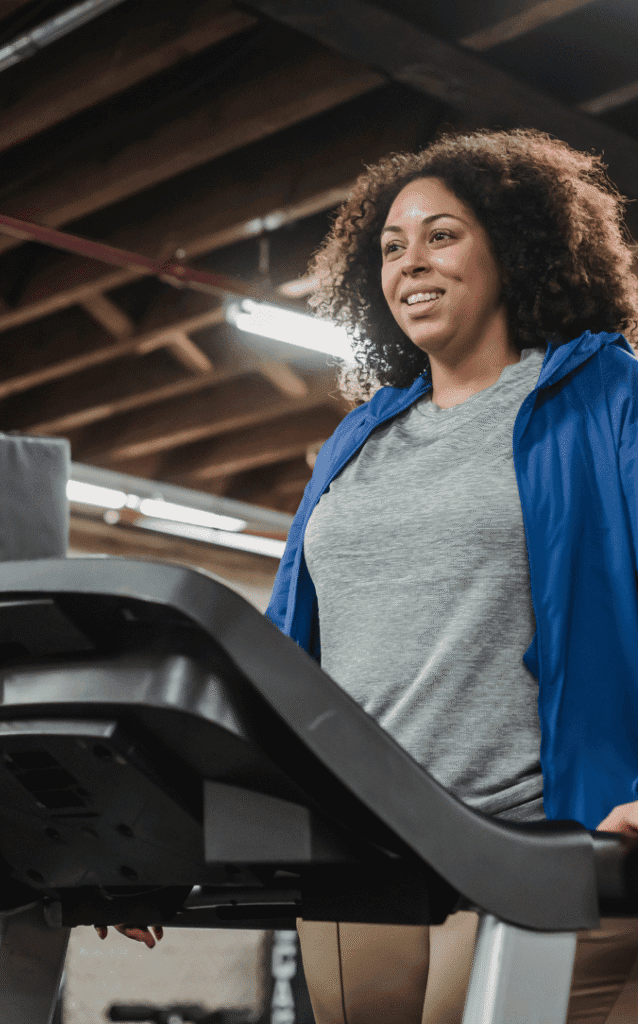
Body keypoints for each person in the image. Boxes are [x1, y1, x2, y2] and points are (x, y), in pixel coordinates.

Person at [100, 127, 638, 1022]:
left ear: (514, 244)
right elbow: (282, 656)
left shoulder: (607, 398)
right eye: (390, 246)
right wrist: (164, 837)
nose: (410, 263)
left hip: (541, 837)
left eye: (442, 234)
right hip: (362, 848)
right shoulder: (359, 438)